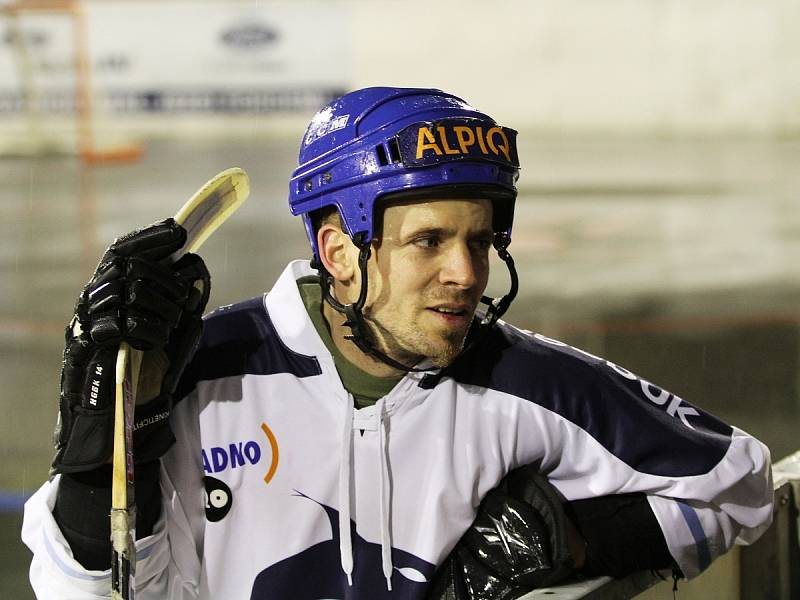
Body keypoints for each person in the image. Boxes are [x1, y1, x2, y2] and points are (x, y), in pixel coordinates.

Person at [22, 87, 773, 599]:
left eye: (480, 240)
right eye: (430, 241)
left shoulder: (525, 380)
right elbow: (88, 590)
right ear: (341, 250)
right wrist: (100, 457)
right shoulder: (197, 377)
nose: (465, 273)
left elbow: (737, 483)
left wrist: (569, 541)